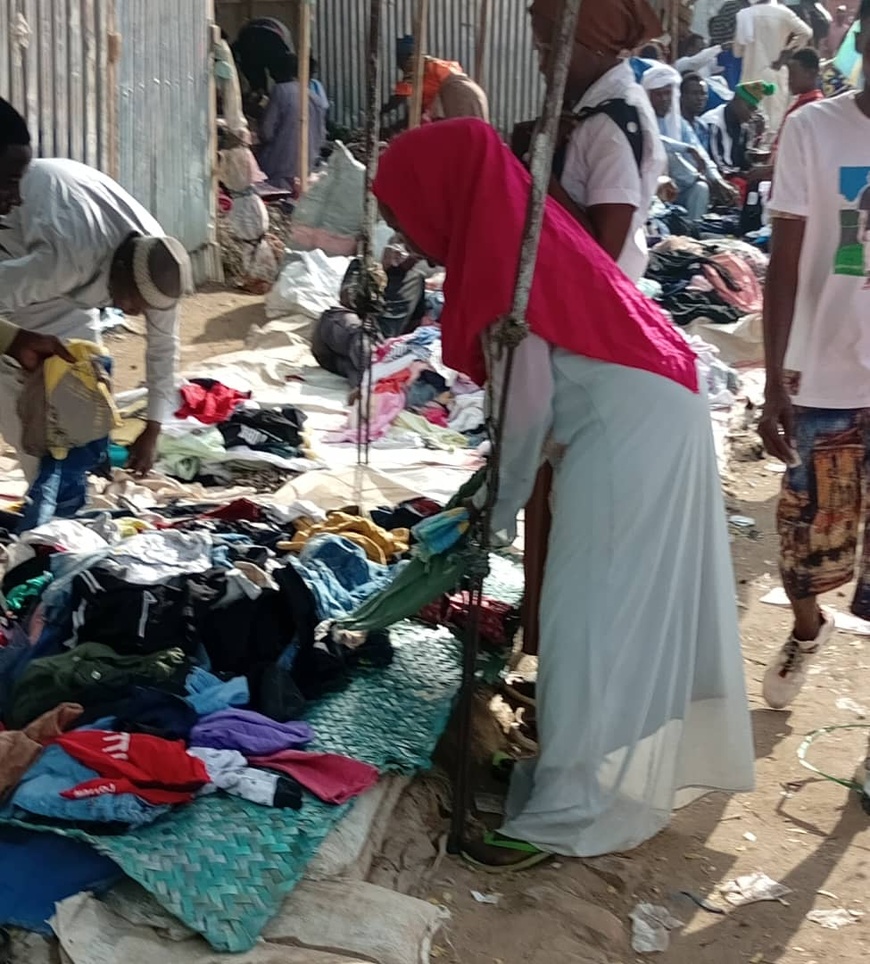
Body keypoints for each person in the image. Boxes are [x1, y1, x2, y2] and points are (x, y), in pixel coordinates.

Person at [373, 118, 754, 867]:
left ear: (437, 196)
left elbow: (526, 407)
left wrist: (493, 513)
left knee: (585, 619)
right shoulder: (525, 235)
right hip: (649, 420)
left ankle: (569, 813)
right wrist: (497, 496)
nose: (405, 237)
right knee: (609, 609)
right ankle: (576, 771)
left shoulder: (503, 262)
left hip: (628, 435)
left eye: (401, 216)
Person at [758, 0, 870, 712]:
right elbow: (786, 260)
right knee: (802, 544)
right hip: (823, 371)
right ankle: (808, 626)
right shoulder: (814, 128)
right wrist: (774, 380)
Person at [0, 98, 190, 480]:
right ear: (119, 275)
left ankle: (78, 471)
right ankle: (44, 485)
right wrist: (13, 338)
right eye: (133, 304)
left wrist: (153, 428)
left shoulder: (160, 260)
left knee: (84, 391)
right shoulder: (64, 261)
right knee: (26, 408)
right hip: (21, 259)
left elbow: (163, 347)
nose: (135, 314)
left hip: (66, 267)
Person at [529, 0, 666, 282]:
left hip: (592, 293)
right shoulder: (594, 109)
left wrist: (540, 175)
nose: (542, 66)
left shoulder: (610, 125)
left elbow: (602, 254)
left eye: (549, 51)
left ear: (595, 48)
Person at [643, 64, 738, 220]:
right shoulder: (639, 118)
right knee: (667, 154)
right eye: (658, 94)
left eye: (667, 93)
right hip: (649, 185)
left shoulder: (679, 123)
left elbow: (700, 152)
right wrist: (686, 149)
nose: (664, 99)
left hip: (678, 186)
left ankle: (692, 230)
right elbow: (655, 141)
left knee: (701, 188)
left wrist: (717, 179)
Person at [382, 36, 489, 132]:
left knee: (463, 134)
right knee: (473, 134)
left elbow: (399, 97)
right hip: (472, 93)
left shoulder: (415, 64)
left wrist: (380, 112)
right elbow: (415, 115)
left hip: (458, 94)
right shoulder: (428, 73)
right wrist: (393, 128)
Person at [735, 0, 813, 131]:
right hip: (775, 73)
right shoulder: (784, 13)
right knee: (774, 121)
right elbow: (806, 32)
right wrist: (787, 52)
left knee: (749, 121)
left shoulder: (745, 15)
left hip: (750, 76)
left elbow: (737, 52)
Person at [258, 54, 329, 189]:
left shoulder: (280, 91)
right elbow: (322, 138)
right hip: (306, 168)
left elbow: (266, 132)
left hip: (278, 168)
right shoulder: (316, 98)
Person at [700, 80, 774, 174]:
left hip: (733, 174)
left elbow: (741, 160)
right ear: (737, 100)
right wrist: (748, 175)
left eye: (754, 111)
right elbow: (718, 167)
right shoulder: (714, 124)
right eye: (749, 108)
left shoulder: (743, 124)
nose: (751, 115)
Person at [682, 73, 715, 150]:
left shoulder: (702, 126)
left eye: (703, 94)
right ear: (682, 96)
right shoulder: (674, 125)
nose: (700, 98)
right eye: (694, 93)